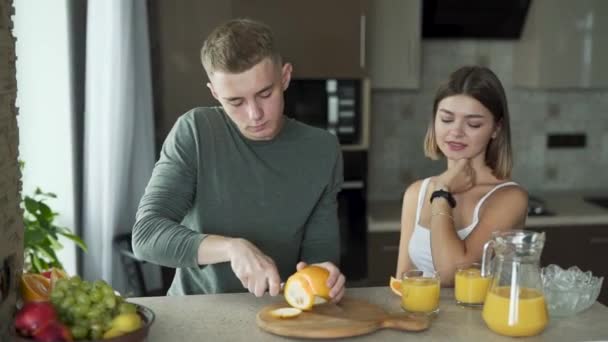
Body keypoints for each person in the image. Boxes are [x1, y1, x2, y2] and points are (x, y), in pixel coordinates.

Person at [132, 18, 345, 301]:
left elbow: (319, 260)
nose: (255, 114)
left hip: (278, 313)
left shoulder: (323, 149)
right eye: (236, 102)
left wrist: (327, 279)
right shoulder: (196, 131)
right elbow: (146, 236)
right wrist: (232, 248)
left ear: (285, 77)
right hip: (196, 312)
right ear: (215, 93)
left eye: (265, 94)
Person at [395, 66, 528, 286]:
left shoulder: (510, 198)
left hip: (484, 321)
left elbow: (451, 275)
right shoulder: (416, 193)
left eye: (473, 124)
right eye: (446, 119)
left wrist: (441, 192)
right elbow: (402, 281)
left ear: (496, 128)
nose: (456, 131)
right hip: (424, 320)